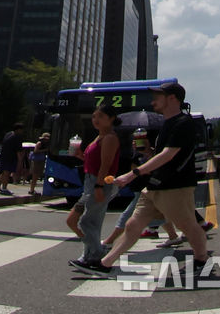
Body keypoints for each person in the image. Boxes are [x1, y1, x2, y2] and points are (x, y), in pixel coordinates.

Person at [76, 83, 212, 281]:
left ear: (172, 98)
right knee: (133, 225)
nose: (153, 100)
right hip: (156, 185)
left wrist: (133, 174)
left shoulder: (183, 122)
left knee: (188, 226)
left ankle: (201, 259)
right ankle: (105, 264)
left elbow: (169, 154)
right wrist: (148, 152)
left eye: (158, 96)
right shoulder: (168, 123)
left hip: (175, 185)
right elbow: (162, 155)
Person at [68, 105, 120, 270]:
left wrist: (99, 186)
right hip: (91, 182)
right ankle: (89, 255)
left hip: (99, 182)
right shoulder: (100, 136)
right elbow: (94, 162)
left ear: (111, 119)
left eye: (101, 116)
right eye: (94, 117)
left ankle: (97, 254)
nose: (96, 120)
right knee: (89, 221)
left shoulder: (110, 138)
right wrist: (81, 156)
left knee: (86, 222)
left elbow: (106, 164)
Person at [0, 123, 25, 194]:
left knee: (3, 172)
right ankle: (4, 188)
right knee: (7, 173)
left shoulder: (8, 134)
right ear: (18, 130)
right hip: (11, 157)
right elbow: (18, 150)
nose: (22, 131)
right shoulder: (17, 137)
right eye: (21, 130)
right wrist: (20, 161)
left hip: (3, 155)